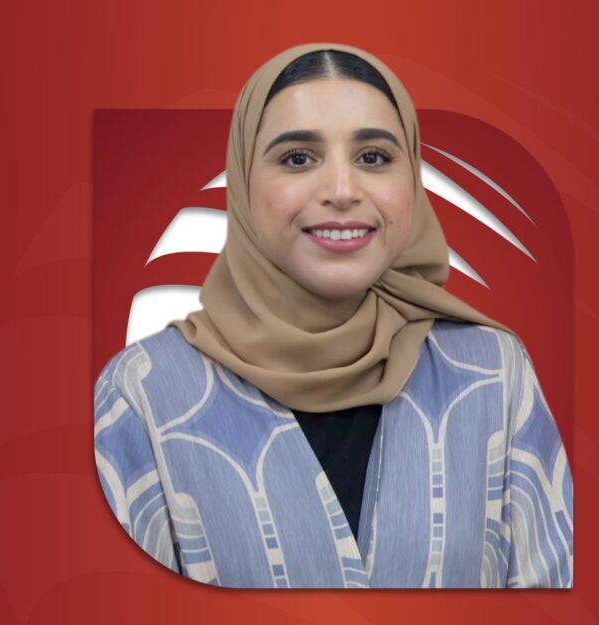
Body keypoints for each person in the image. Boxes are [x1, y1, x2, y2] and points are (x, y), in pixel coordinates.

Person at [93, 42, 573, 588]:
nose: (342, 191)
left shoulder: (493, 375)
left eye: (373, 158)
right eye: (298, 158)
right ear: (243, 181)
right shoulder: (143, 396)